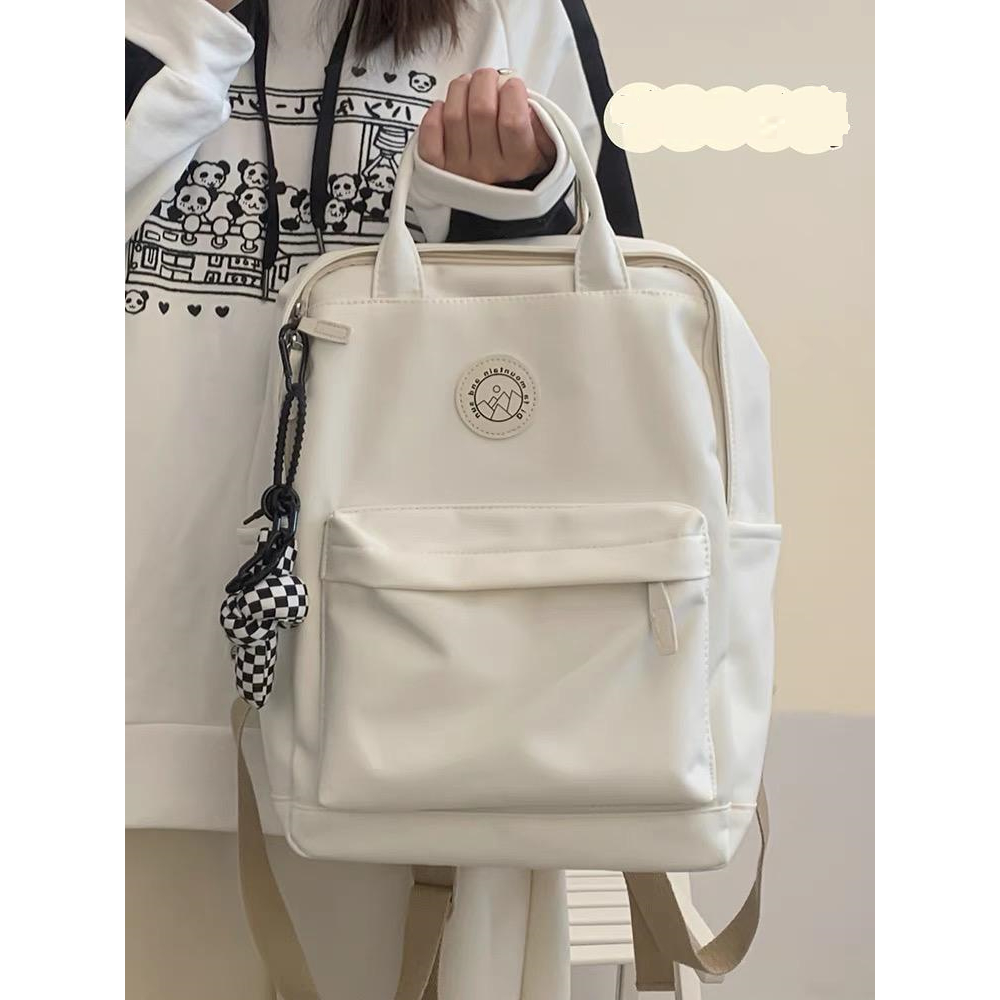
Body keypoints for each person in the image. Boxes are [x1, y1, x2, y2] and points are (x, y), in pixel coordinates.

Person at [125, 2, 641, 997]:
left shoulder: (511, 12)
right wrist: (177, 32)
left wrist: (503, 205)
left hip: (431, 710)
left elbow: (607, 357)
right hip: (122, 704)